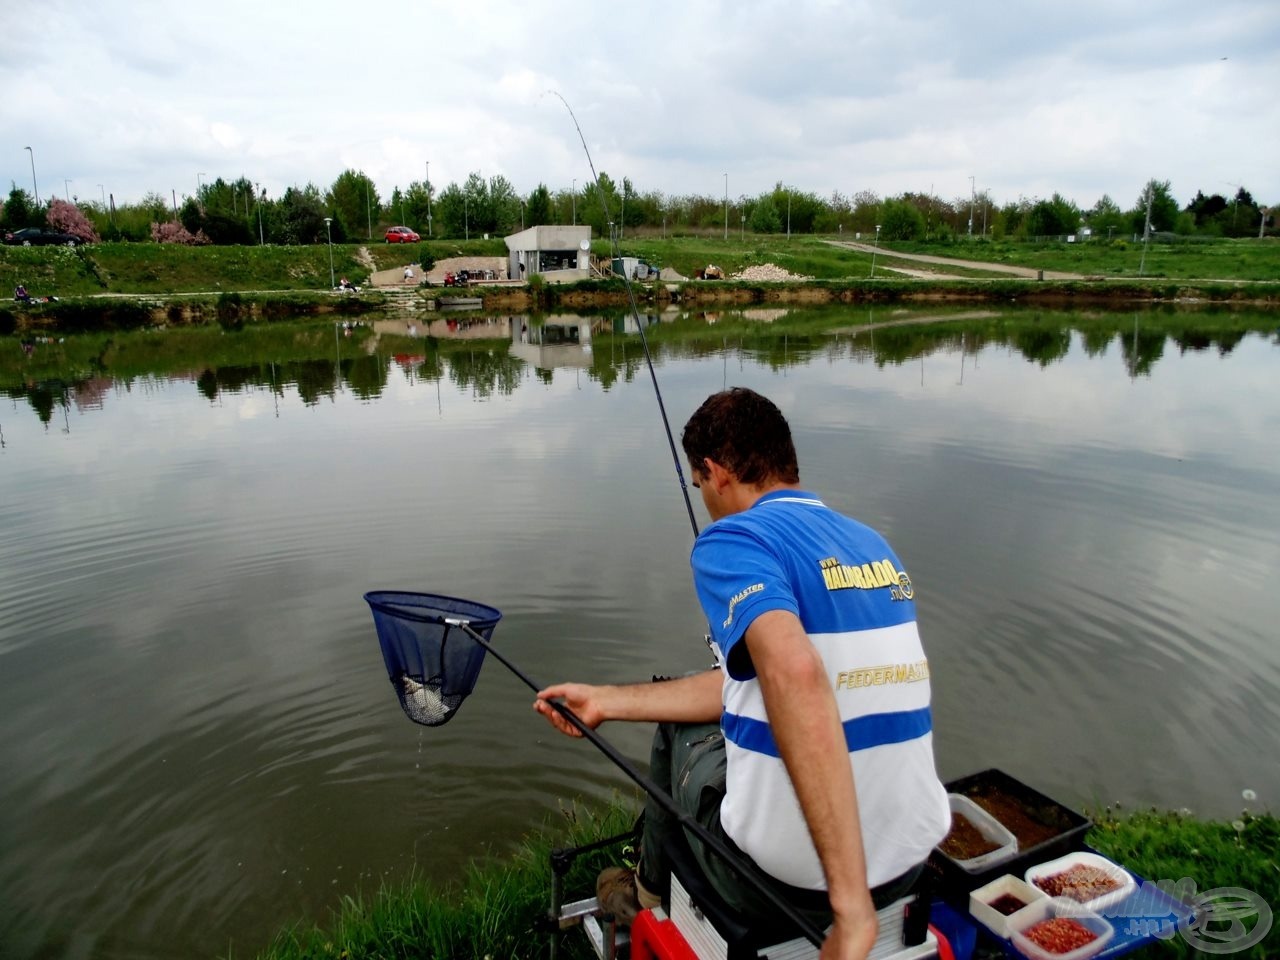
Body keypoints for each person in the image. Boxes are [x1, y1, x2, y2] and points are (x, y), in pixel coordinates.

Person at [535, 387, 949, 959]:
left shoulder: (734, 540)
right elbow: (773, 675)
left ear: (716, 473)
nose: (703, 496)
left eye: (698, 482)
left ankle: (648, 897)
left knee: (679, 733)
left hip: (793, 889)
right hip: (907, 864)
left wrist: (851, 914)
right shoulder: (871, 544)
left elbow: (796, 672)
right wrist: (606, 701)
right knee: (699, 700)